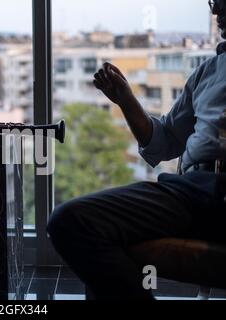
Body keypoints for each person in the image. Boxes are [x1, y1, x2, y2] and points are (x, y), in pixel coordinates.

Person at [47, 0, 226, 300]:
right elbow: (165, 140)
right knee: (71, 221)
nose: (215, 11)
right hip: (192, 190)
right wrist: (126, 100)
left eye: (221, 2)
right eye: (214, 2)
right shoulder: (207, 71)